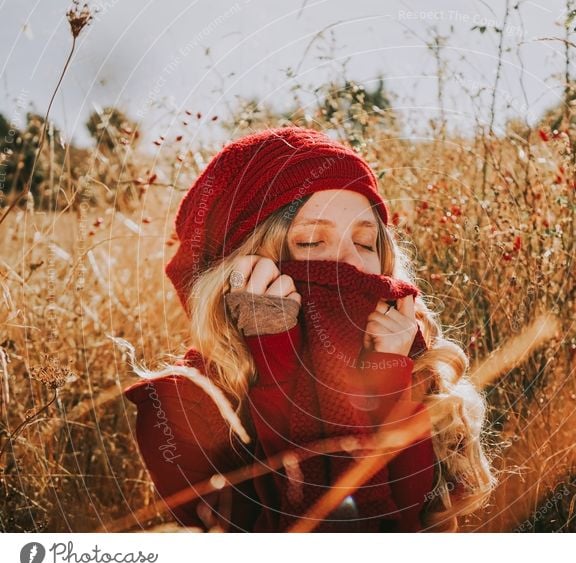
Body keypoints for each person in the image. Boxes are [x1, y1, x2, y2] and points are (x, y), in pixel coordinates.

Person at [122, 126, 497, 532]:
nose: (349, 265)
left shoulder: (410, 363)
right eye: (311, 242)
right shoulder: (180, 405)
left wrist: (386, 378)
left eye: (366, 243)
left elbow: (412, 528)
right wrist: (276, 364)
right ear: (241, 266)